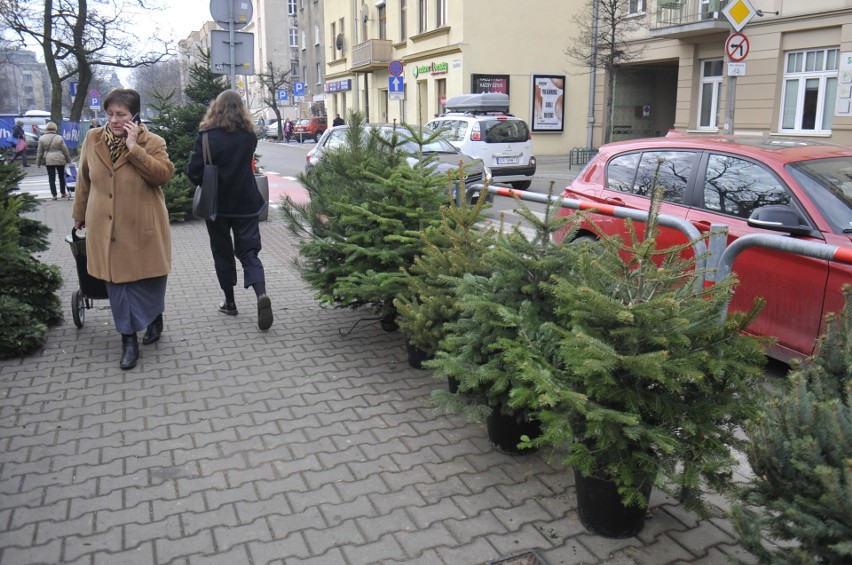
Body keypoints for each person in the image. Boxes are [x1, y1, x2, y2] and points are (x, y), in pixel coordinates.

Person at [72, 88, 174, 370]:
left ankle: (154, 316)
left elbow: (162, 175)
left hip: (142, 223)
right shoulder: (93, 139)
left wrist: (134, 149)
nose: (115, 120)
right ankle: (128, 339)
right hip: (104, 226)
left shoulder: (152, 141)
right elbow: (84, 179)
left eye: (122, 115)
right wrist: (79, 213)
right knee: (117, 285)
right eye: (110, 114)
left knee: (149, 278)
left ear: (135, 116)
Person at [187, 90, 273, 331]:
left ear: (217, 107)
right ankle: (261, 294)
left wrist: (204, 176)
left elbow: (193, 171)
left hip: (217, 206)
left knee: (222, 253)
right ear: (241, 109)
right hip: (245, 202)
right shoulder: (249, 136)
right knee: (249, 252)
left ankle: (230, 302)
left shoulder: (206, 136)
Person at [36, 122, 72, 200]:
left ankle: (54, 195)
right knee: (61, 177)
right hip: (60, 159)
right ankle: (63, 193)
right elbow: (65, 150)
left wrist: (38, 163)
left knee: (51, 178)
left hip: (49, 160)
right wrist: (69, 160)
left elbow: (40, 152)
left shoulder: (42, 138)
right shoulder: (59, 137)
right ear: (55, 128)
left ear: (46, 128)